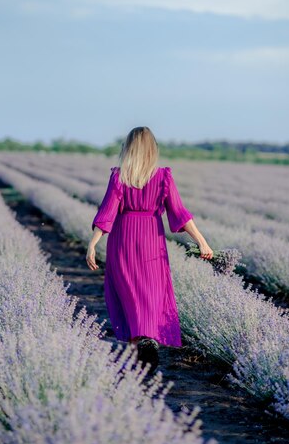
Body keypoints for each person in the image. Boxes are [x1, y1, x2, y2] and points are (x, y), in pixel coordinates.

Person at [86, 126, 213, 375]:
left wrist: (93, 244)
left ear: (128, 148)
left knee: (129, 297)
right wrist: (201, 241)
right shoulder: (163, 176)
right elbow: (179, 212)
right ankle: (148, 342)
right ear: (153, 149)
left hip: (123, 241)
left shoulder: (119, 176)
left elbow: (106, 213)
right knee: (151, 295)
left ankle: (138, 355)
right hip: (151, 241)